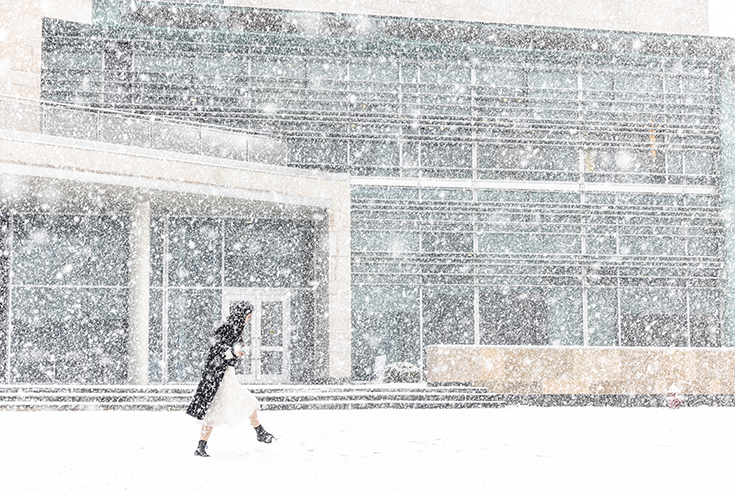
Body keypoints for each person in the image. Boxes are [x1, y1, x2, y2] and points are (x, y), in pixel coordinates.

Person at [186, 301, 275, 457]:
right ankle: (260, 432)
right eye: (248, 316)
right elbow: (217, 351)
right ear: (242, 315)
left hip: (223, 375)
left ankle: (201, 446)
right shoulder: (228, 329)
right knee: (246, 401)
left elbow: (223, 350)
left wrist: (235, 352)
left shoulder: (233, 329)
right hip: (222, 376)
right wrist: (234, 353)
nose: (249, 319)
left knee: (214, 409)